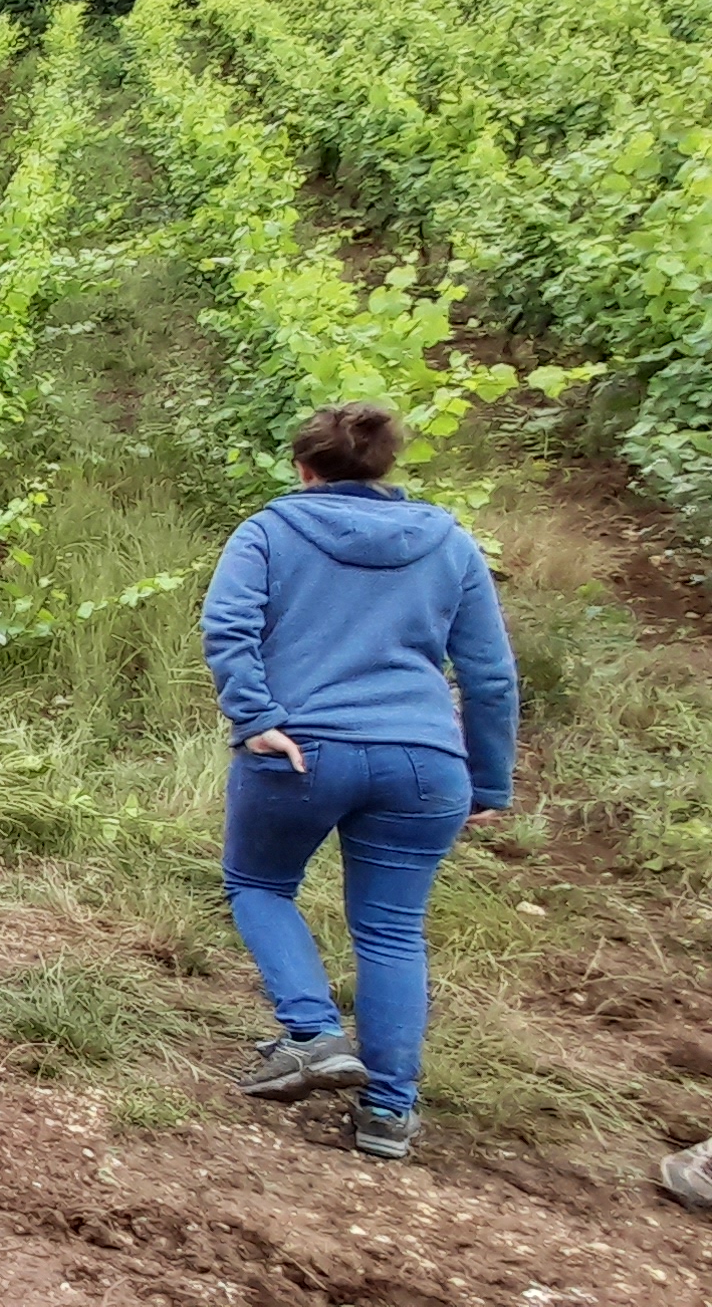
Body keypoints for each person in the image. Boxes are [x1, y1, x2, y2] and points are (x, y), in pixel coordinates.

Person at [201, 403, 518, 1163]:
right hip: (422, 761)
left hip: (303, 750)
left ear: (303, 468)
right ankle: (387, 1113)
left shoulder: (272, 531)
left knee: (258, 883)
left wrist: (256, 718)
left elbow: (227, 626)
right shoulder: (449, 543)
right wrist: (489, 781)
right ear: (385, 468)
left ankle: (312, 1032)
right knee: (391, 930)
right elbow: (491, 677)